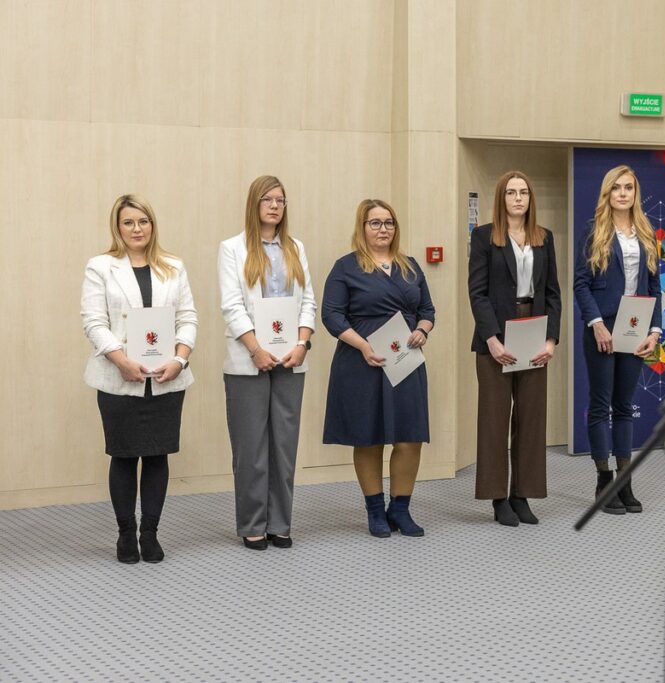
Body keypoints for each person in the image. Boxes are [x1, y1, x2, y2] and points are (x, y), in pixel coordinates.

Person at [81, 195, 198, 563]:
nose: (137, 229)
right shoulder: (101, 267)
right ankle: (125, 535)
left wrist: (180, 359)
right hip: (119, 377)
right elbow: (94, 322)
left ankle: (150, 533)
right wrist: (120, 361)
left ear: (152, 225)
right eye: (129, 222)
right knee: (124, 455)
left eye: (143, 221)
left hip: (166, 378)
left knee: (157, 454)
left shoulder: (173, 266)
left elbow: (188, 318)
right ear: (118, 227)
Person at [322, 199, 435, 538]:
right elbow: (331, 315)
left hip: (405, 360)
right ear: (362, 227)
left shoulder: (410, 266)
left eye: (389, 223)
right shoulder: (345, 267)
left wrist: (423, 330)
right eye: (375, 223)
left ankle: (400, 509)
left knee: (410, 436)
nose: (383, 229)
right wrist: (362, 346)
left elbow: (428, 310)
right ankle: (375, 511)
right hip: (363, 361)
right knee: (368, 437)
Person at [218, 175, 316, 550]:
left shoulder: (295, 248)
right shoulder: (232, 249)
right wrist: (256, 349)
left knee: (284, 446)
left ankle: (279, 523)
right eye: (268, 200)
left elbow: (308, 301)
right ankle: (252, 523)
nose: (275, 206)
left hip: (290, 359)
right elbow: (232, 306)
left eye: (280, 200)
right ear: (254, 204)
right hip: (248, 361)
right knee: (251, 448)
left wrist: (302, 344)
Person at [468, 171, 561, 526]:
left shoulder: (544, 237)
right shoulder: (483, 237)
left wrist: (551, 340)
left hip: (534, 330)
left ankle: (522, 495)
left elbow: (552, 292)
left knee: (531, 417)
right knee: (495, 419)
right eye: (511, 192)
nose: (518, 198)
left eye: (524, 192)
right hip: (496, 333)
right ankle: (498, 499)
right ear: (501, 197)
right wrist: (492, 339)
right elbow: (477, 292)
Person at [573, 165, 662, 514]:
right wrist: (596, 323)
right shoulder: (593, 230)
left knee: (625, 406)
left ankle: (625, 482)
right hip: (603, 326)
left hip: (636, 325)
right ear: (607, 193)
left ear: (635, 193)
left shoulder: (646, 232)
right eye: (617, 188)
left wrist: (655, 331)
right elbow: (581, 283)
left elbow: (654, 286)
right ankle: (603, 481)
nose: (623, 193)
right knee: (601, 405)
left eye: (628, 188)